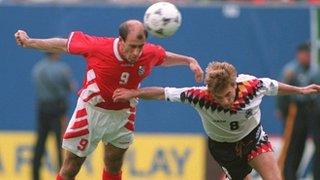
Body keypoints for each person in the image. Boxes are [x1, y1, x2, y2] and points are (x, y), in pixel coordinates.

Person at [14, 19, 203, 180]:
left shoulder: (148, 52)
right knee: (71, 167)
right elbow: (63, 44)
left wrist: (189, 61)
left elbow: (163, 57)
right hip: (91, 112)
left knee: (113, 165)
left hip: (122, 115)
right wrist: (30, 42)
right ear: (121, 40)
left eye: (140, 47)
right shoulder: (98, 47)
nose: (137, 52)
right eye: (133, 46)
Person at [112, 61, 320, 180]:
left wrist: (300, 89)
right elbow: (162, 93)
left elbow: (275, 87)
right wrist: (133, 92)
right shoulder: (199, 96)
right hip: (224, 149)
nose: (224, 102)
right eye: (218, 98)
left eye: (228, 95)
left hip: (253, 138)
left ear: (234, 84)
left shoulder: (253, 86)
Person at [276, 42, 320, 180]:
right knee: (294, 145)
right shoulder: (291, 70)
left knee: (317, 143)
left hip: (313, 110)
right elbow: (281, 91)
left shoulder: (315, 70)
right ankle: (288, 176)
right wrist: (281, 110)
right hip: (296, 110)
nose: (308, 57)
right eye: (305, 54)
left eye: (310, 54)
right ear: (299, 54)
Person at [31, 52, 73, 180]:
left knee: (40, 144)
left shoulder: (37, 68)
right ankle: (62, 175)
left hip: (42, 109)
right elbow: (70, 86)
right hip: (57, 110)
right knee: (60, 145)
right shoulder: (62, 69)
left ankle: (35, 175)